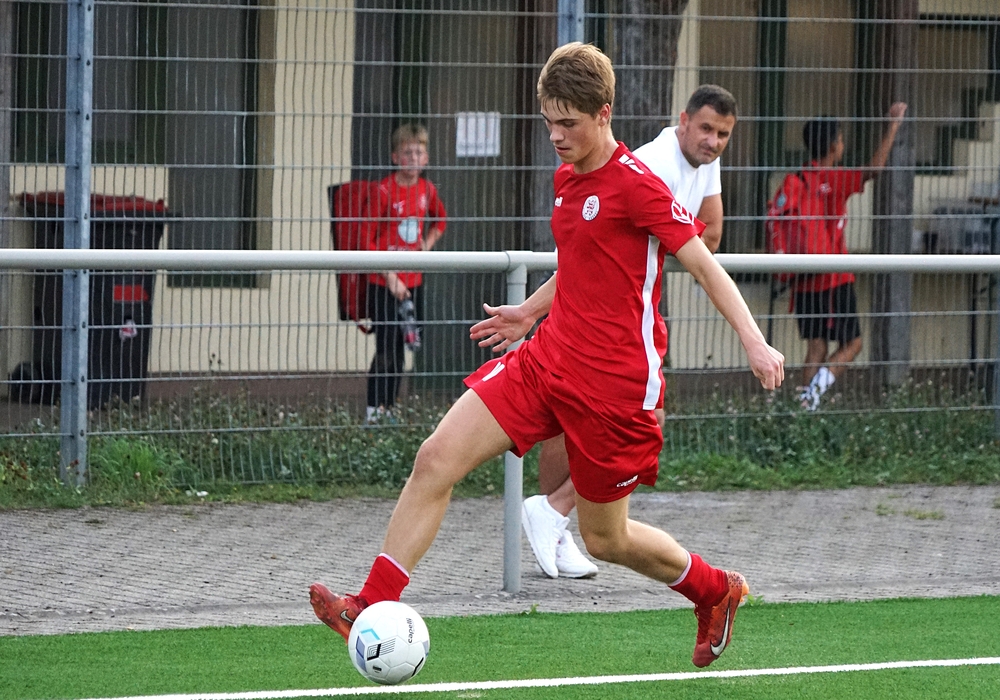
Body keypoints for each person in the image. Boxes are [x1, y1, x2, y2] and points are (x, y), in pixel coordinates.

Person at [310, 42, 784, 669]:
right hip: (547, 360)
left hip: (614, 386)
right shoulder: (567, 178)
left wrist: (753, 339)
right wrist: (530, 313)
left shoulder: (639, 185)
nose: (556, 136)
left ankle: (712, 589)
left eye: (569, 123)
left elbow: (703, 263)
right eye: (549, 122)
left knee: (605, 538)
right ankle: (368, 603)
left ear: (604, 113)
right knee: (436, 458)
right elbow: (582, 261)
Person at [523, 85, 739, 580]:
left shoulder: (705, 159)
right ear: (682, 121)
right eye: (706, 129)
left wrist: (664, 240)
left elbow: (710, 234)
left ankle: (555, 514)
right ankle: (553, 510)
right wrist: (531, 311)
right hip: (602, 314)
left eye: (723, 134)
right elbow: (588, 257)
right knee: (587, 419)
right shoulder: (650, 167)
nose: (713, 142)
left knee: (632, 426)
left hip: (634, 309)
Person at [790, 104, 907, 410]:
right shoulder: (835, 177)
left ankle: (805, 411)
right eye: (841, 139)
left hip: (802, 276)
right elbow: (874, 170)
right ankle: (810, 399)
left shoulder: (801, 178)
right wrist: (893, 126)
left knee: (816, 346)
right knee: (853, 344)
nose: (843, 144)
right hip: (833, 277)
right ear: (832, 146)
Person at [365, 124, 448, 422]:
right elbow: (367, 240)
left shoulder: (427, 190)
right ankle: (374, 410)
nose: (413, 158)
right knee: (386, 348)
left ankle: (390, 409)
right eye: (407, 152)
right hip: (383, 283)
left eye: (418, 152)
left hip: (413, 282)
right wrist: (390, 277)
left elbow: (440, 220)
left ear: (426, 158)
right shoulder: (383, 190)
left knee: (402, 349)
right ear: (395, 157)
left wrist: (427, 244)